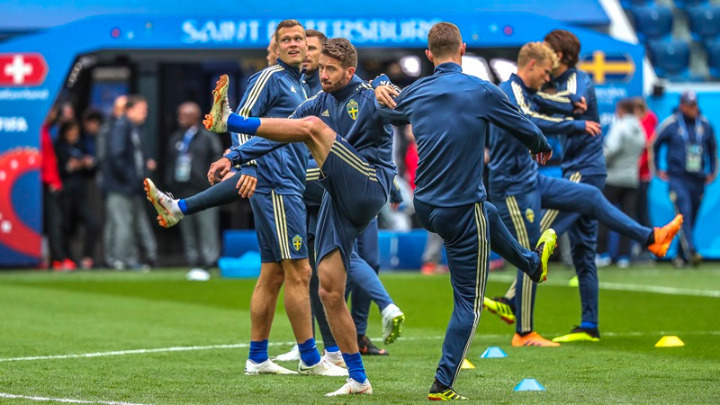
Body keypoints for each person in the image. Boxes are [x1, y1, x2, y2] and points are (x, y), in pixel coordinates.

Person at [203, 37, 407, 396]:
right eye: (322, 67)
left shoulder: (369, 95)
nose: (323, 74)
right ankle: (358, 379)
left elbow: (403, 108)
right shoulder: (318, 103)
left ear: (350, 71)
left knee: (312, 127)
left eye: (331, 69)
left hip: (370, 183)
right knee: (329, 291)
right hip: (338, 195)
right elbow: (279, 136)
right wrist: (233, 157)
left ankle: (229, 119)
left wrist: (386, 85)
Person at [147, 20, 345, 377]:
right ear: (276, 47)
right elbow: (236, 122)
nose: (294, 44)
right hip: (277, 185)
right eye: (286, 40)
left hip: (287, 183)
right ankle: (310, 358)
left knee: (272, 274)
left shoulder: (300, 84)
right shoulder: (269, 77)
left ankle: (257, 358)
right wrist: (247, 165)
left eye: (299, 38)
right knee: (301, 271)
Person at [374, 23, 554, 400]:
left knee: (488, 210)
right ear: (464, 49)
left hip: (427, 206)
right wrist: (540, 144)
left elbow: (385, 112)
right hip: (460, 207)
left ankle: (531, 263)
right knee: (468, 305)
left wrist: (379, 85)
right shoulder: (481, 90)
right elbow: (522, 125)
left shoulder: (416, 91)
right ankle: (443, 384)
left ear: (429, 55)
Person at [483, 42, 681, 347]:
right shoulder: (509, 91)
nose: (547, 78)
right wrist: (575, 124)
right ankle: (523, 332)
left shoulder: (526, 90)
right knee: (532, 251)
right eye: (545, 72)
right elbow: (529, 118)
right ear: (531, 65)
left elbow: (543, 102)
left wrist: (570, 106)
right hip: (512, 187)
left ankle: (650, 238)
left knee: (590, 196)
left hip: (531, 179)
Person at [653, 91, 717, 268]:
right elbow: (654, 144)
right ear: (682, 105)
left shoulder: (704, 124)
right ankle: (692, 251)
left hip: (698, 178)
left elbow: (713, 148)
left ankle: (680, 256)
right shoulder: (671, 124)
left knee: (691, 216)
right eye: (690, 105)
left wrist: (713, 171)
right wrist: (657, 169)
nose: (693, 108)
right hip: (678, 177)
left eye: (694, 104)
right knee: (684, 212)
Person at [164, 102, 223, 278]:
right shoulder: (176, 138)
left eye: (184, 115)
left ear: (195, 116)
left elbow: (218, 159)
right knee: (188, 227)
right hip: (183, 189)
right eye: (179, 115)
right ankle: (193, 259)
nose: (180, 118)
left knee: (207, 225)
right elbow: (170, 162)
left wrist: (211, 182)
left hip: (204, 190)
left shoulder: (208, 138)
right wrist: (170, 183)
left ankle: (210, 260)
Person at [103, 95, 158, 270]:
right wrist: (131, 177)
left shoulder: (133, 128)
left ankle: (126, 258)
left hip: (129, 186)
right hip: (120, 186)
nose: (145, 114)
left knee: (130, 222)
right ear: (130, 109)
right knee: (122, 223)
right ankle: (120, 260)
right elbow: (117, 156)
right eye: (142, 110)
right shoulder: (121, 126)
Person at [597, 99, 646, 268]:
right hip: (632, 179)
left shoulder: (620, 126)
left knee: (603, 214)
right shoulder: (639, 128)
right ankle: (624, 256)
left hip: (613, 178)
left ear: (623, 110)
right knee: (627, 219)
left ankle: (602, 254)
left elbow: (611, 149)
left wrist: (600, 162)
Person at [55, 120, 99, 269]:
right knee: (66, 228)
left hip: (80, 195)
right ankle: (67, 259)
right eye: (70, 132)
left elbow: (91, 172)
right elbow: (56, 170)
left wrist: (88, 164)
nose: (73, 135)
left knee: (93, 224)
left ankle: (87, 258)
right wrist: (69, 166)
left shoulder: (80, 147)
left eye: (75, 132)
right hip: (65, 195)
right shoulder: (59, 147)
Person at [98, 95, 127, 267]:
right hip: (113, 182)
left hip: (121, 183)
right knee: (116, 221)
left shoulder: (126, 127)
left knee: (118, 221)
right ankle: (113, 257)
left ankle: (115, 257)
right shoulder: (109, 129)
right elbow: (103, 157)